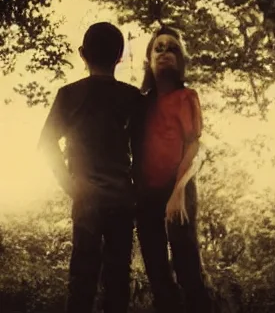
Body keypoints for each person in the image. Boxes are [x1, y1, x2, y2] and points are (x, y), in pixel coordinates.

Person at [39, 22, 143, 313]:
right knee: (117, 283)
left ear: (82, 54)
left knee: (82, 280)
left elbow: (45, 144)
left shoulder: (68, 95)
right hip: (122, 200)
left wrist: (72, 187)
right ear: (120, 57)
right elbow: (143, 151)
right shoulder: (132, 97)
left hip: (86, 201)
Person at [136, 26, 212, 313]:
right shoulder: (141, 103)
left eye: (172, 48)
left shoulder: (187, 97)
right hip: (145, 196)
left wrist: (178, 191)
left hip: (178, 190)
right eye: (159, 48)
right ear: (149, 60)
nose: (165, 52)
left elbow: (194, 147)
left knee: (187, 264)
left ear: (181, 61)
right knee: (156, 270)